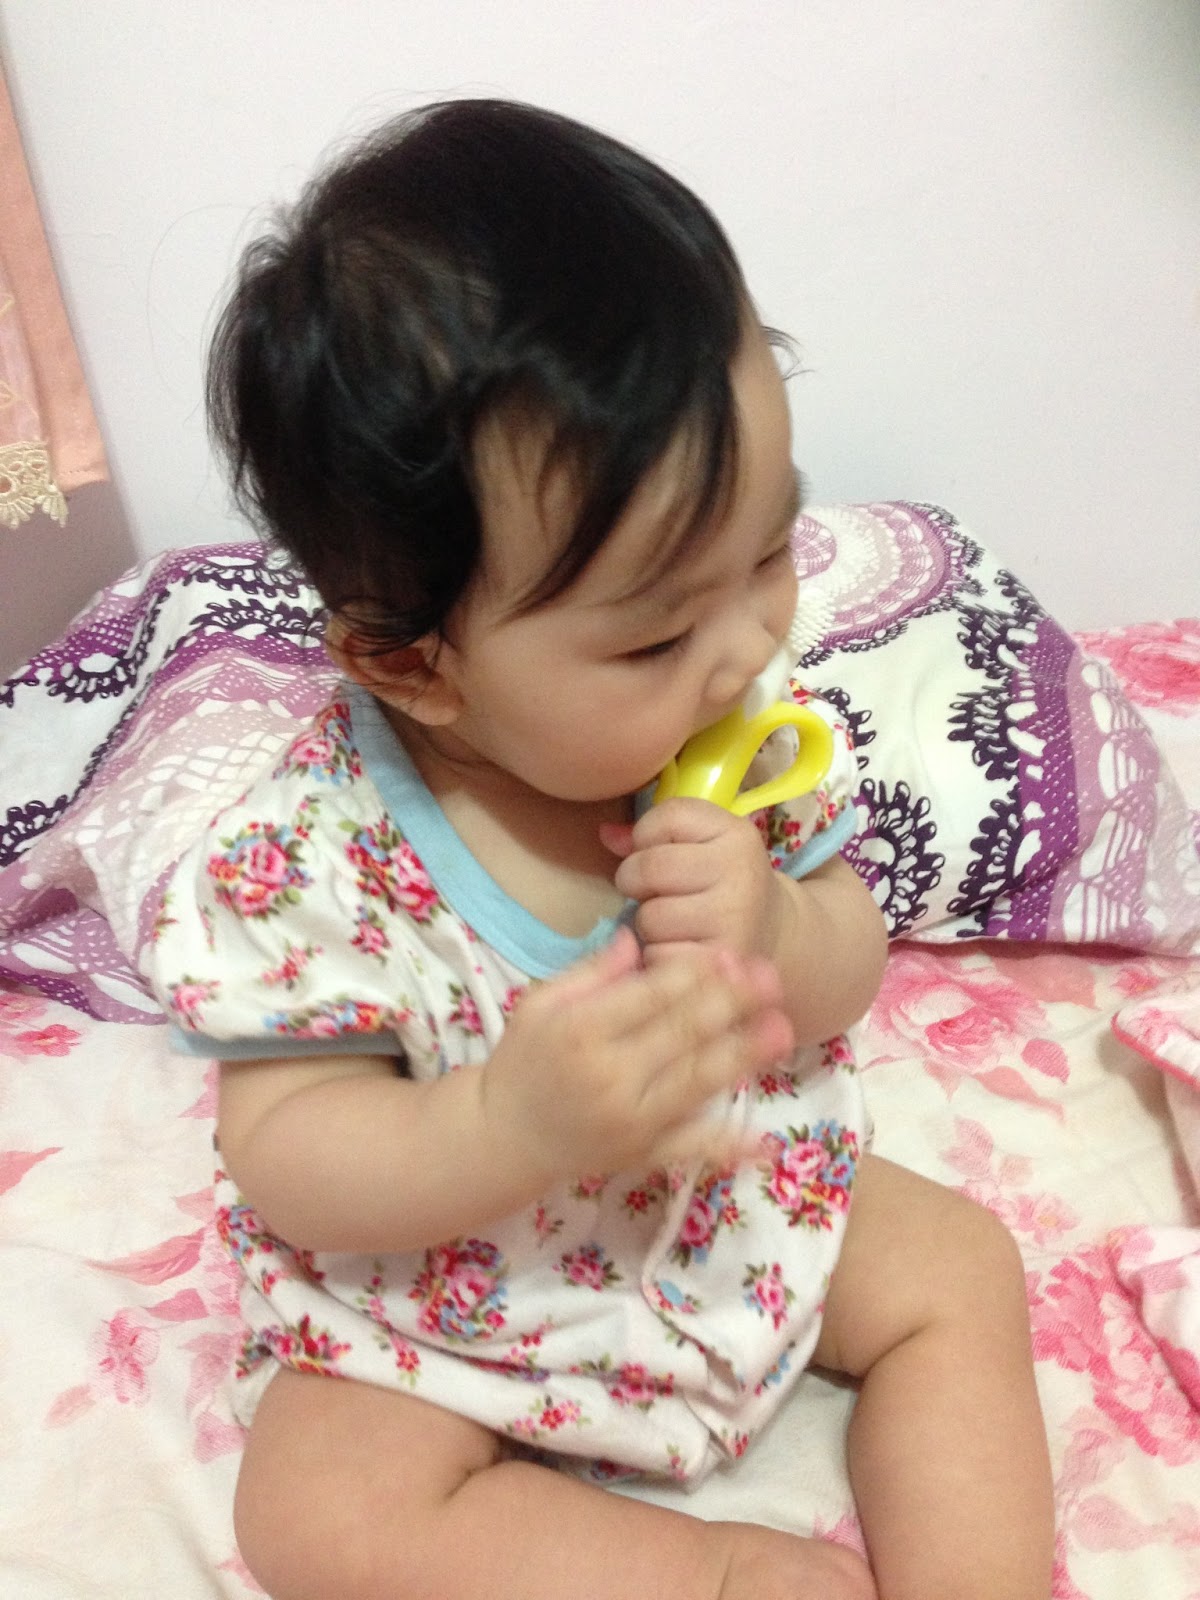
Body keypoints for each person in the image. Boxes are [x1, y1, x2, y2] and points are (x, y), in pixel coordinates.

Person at [147, 99, 1054, 1600]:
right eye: (654, 633)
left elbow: (848, 966)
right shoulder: (301, 857)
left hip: (732, 1192)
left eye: (768, 551)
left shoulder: (735, 743)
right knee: (315, 1512)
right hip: (457, 1277)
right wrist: (505, 1123)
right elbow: (292, 1153)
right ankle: (723, 1581)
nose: (748, 644)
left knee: (960, 1270)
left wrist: (777, 932)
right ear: (414, 663)